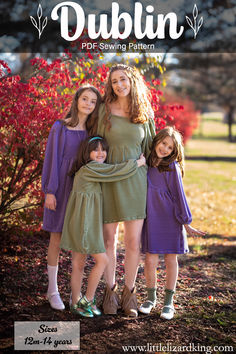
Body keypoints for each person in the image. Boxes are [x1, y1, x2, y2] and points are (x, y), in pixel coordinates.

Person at [60, 136, 146, 317]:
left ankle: (76, 303)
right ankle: (87, 300)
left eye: (103, 149)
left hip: (79, 222)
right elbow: (115, 171)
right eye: (95, 149)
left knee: (78, 263)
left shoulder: (87, 170)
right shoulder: (91, 169)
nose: (101, 153)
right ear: (87, 152)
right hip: (84, 226)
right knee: (102, 260)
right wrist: (137, 163)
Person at [97, 64, 156, 317]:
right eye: (114, 81)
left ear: (132, 80)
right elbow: (94, 143)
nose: (119, 84)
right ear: (110, 86)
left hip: (135, 181)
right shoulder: (104, 111)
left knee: (133, 242)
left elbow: (153, 150)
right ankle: (109, 291)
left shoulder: (144, 112)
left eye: (123, 79)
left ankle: (129, 293)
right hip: (109, 179)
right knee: (109, 240)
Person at [41, 85, 101, 310]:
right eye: (84, 99)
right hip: (60, 188)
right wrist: (50, 191)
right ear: (76, 100)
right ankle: (52, 290)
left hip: (82, 192)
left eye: (93, 101)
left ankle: (75, 295)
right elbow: (52, 160)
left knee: (80, 242)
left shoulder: (92, 133)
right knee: (55, 238)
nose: (88, 103)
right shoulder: (60, 127)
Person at [139, 126, 206, 320]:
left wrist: (186, 222)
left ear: (174, 151)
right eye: (163, 144)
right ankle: (151, 298)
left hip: (170, 219)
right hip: (151, 219)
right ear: (156, 141)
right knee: (150, 259)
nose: (165, 149)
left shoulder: (171, 167)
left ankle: (168, 303)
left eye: (170, 147)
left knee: (170, 259)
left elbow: (179, 196)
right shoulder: (146, 163)